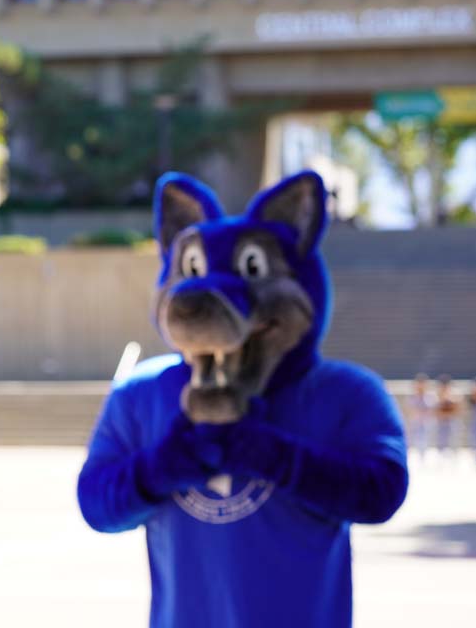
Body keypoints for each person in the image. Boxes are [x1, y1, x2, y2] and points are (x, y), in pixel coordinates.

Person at [78, 172, 407, 628]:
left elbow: (380, 493)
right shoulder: (142, 395)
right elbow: (97, 504)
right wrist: (166, 465)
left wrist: (269, 453)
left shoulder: (347, 392)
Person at [409, 373, 433, 462]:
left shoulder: (429, 396)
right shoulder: (413, 396)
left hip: (426, 422)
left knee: (425, 442)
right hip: (415, 422)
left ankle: (423, 458)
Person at [435, 374, 460, 461]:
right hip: (441, 420)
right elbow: (435, 408)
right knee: (441, 440)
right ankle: (441, 457)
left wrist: (448, 398)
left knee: (453, 440)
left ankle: (454, 458)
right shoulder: (437, 393)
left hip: (451, 419)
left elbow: (457, 407)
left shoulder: (454, 393)